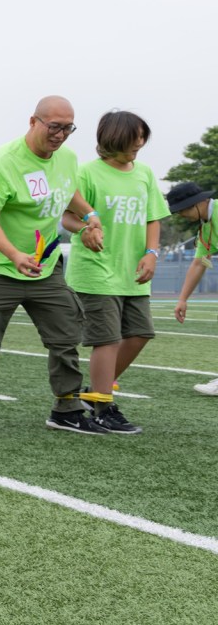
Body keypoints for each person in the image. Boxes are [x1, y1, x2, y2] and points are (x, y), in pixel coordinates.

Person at [0, 96, 106, 437]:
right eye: (54, 127)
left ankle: (67, 409)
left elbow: (68, 192)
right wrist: (14, 255)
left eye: (68, 128)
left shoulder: (67, 158)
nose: (61, 135)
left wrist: (90, 216)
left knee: (66, 338)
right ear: (33, 121)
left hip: (45, 269)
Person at [64, 111, 165, 434]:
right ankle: (103, 405)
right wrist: (83, 231)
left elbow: (153, 218)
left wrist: (152, 253)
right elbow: (67, 218)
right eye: (133, 139)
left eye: (142, 138)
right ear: (112, 138)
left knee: (140, 333)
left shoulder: (144, 173)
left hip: (132, 271)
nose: (139, 144)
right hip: (96, 270)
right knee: (107, 339)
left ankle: (95, 392)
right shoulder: (86, 174)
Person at [168, 182, 218, 395]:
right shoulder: (206, 226)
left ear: (197, 203)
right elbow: (199, 262)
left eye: (182, 209)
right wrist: (182, 299)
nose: (180, 215)